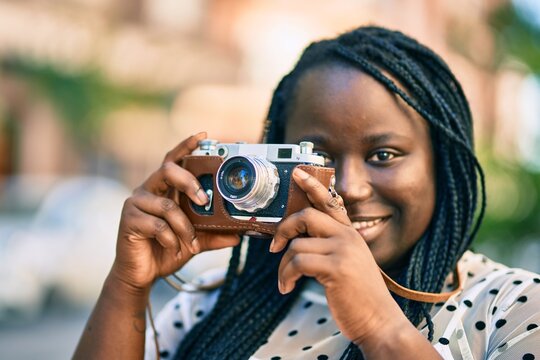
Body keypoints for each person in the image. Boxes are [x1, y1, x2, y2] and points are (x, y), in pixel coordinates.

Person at [73, 26, 540, 360]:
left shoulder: (513, 306)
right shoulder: (212, 305)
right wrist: (127, 288)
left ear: (442, 164)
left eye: (385, 155)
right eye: (319, 158)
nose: (352, 188)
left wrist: (380, 329)